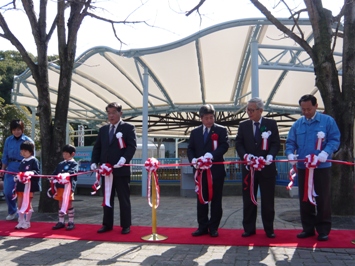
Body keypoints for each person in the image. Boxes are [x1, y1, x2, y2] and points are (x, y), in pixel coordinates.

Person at [285, 94, 340, 241]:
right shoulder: (298, 124)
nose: (306, 112)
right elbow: (290, 142)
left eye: (309, 109)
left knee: (322, 198)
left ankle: (323, 230)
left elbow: (335, 139)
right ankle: (308, 228)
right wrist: (290, 154)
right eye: (303, 109)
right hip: (303, 167)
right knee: (305, 198)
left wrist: (325, 152)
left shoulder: (327, 121)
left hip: (321, 167)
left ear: (316, 106)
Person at [235, 97, 280, 238]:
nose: (249, 112)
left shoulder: (271, 124)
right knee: (248, 200)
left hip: (266, 168)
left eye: (252, 110)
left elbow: (275, 143)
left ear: (261, 110)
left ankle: (269, 229)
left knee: (268, 201)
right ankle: (249, 228)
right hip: (249, 169)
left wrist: (270, 156)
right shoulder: (243, 125)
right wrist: (246, 157)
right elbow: (239, 143)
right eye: (247, 110)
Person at [91, 102, 137, 234]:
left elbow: (131, 146)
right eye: (109, 113)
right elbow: (97, 147)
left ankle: (126, 225)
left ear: (120, 113)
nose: (111, 116)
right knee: (107, 198)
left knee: (123, 198)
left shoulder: (128, 128)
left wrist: (124, 159)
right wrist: (94, 162)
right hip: (106, 170)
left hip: (121, 170)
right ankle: (107, 224)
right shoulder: (103, 130)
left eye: (113, 113)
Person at [187, 104, 229, 237]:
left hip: (216, 171)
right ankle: (202, 226)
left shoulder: (221, 130)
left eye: (211, 117)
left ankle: (214, 227)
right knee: (201, 199)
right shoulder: (195, 132)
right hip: (200, 172)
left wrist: (212, 155)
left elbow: (224, 145)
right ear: (201, 118)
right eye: (206, 118)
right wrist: (193, 160)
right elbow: (190, 149)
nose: (210, 120)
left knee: (216, 200)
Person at [0, 120, 34, 221]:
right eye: (14, 130)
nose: (16, 132)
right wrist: (3, 169)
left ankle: (22, 213)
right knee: (8, 192)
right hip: (11, 168)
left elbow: (32, 158)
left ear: (22, 129)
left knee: (22, 193)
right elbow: (5, 156)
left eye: (18, 129)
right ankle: (12, 211)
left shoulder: (28, 141)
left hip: (23, 168)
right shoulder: (8, 140)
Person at [51, 144, 78, 231]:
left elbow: (73, 172)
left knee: (69, 204)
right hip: (60, 187)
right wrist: (52, 177)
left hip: (68, 187)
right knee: (60, 203)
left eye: (66, 153)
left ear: (72, 154)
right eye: (64, 153)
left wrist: (65, 175)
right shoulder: (60, 164)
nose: (64, 155)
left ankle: (71, 222)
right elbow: (55, 173)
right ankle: (61, 221)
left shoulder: (74, 164)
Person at [14, 141, 40, 229]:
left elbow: (37, 172)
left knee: (28, 204)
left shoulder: (34, 160)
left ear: (31, 151)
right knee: (20, 204)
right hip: (21, 186)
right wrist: (17, 177)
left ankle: (27, 222)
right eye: (22, 151)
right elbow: (20, 172)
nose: (23, 153)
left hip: (29, 186)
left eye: (25, 151)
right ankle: (21, 221)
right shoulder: (23, 161)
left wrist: (30, 173)